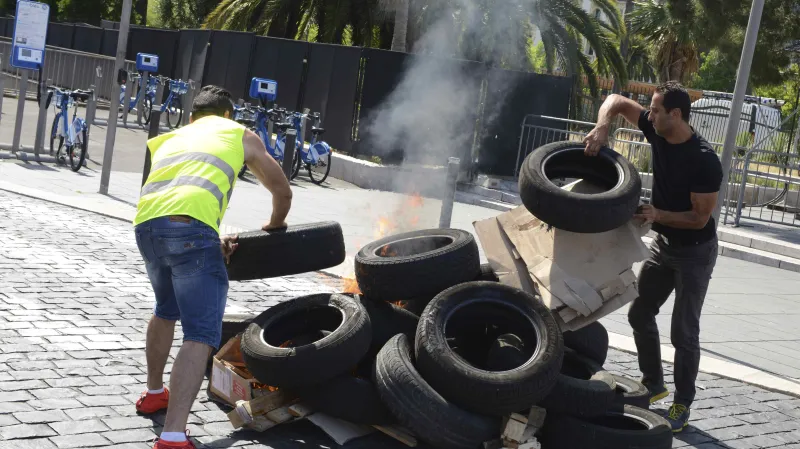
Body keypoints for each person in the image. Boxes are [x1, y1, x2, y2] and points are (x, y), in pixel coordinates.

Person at [132, 85, 293, 448]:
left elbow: (176, 191)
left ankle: (155, 392)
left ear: (192, 117)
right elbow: (282, 190)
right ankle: (173, 435)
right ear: (226, 116)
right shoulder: (239, 133)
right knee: (201, 334)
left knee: (164, 310)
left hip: (147, 227)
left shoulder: (170, 137)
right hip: (189, 229)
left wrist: (205, 234)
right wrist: (275, 225)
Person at [583, 81, 722, 432]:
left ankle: (682, 404)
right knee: (639, 313)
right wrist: (602, 125)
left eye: (656, 110)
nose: (649, 114)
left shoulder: (704, 160)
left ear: (675, 115)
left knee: (684, 333)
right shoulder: (656, 129)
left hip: (695, 253)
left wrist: (658, 215)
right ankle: (654, 383)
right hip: (664, 246)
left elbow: (699, 218)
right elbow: (614, 101)